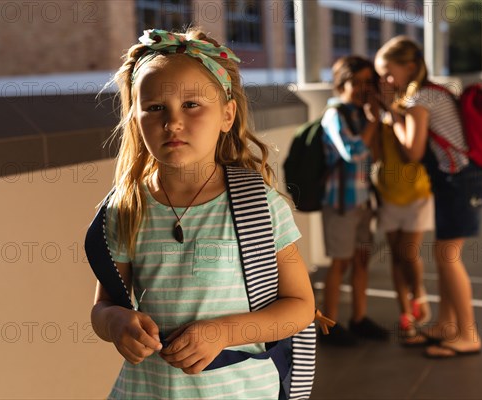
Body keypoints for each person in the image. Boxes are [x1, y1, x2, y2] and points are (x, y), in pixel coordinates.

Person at [90, 28, 315, 398]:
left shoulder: (259, 207)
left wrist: (223, 332)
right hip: (148, 390)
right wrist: (116, 323)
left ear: (227, 115)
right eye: (155, 108)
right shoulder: (125, 209)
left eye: (191, 105)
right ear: (135, 118)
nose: (173, 122)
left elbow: (299, 307)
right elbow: (103, 307)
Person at [374, 36, 482, 358]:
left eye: (388, 72)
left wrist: (390, 112)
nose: (385, 81)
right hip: (458, 181)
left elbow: (412, 151)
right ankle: (447, 326)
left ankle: (468, 334)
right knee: (444, 255)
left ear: (409, 66)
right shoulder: (432, 91)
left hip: (460, 182)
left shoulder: (421, 98)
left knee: (448, 256)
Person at [319, 56, 389, 346]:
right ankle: (329, 327)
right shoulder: (335, 115)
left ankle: (359, 318)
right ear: (341, 83)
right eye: (355, 82)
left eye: (367, 83)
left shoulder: (363, 115)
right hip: (340, 204)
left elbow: (376, 155)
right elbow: (354, 152)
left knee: (361, 260)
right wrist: (374, 121)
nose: (362, 89)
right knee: (339, 263)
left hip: (362, 202)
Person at [370, 83, 433, 345]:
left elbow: (411, 154)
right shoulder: (380, 118)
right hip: (389, 193)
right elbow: (375, 155)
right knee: (396, 257)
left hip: (417, 193)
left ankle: (418, 294)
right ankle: (405, 314)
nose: (382, 89)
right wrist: (375, 120)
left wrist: (391, 112)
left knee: (409, 252)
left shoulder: (412, 110)